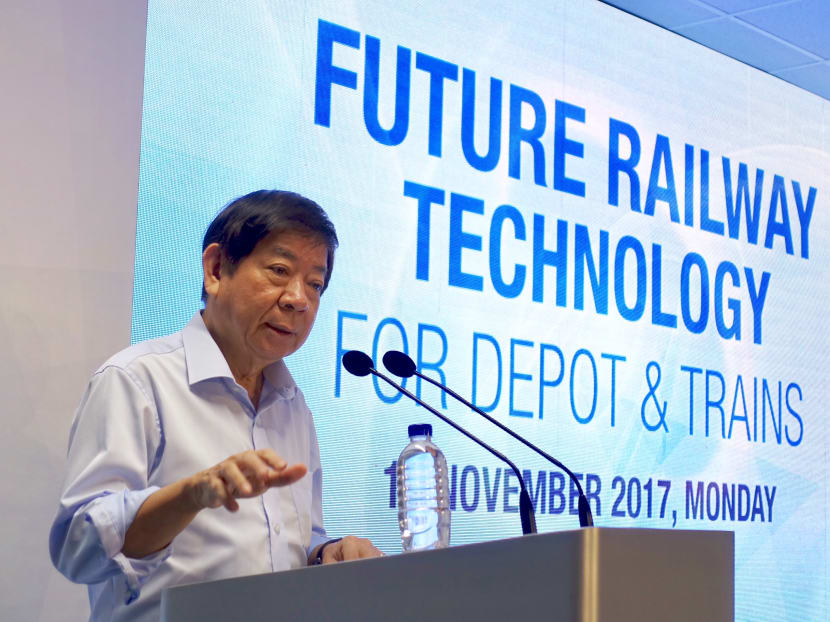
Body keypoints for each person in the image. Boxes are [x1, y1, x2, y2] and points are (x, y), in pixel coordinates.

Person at [49, 190, 382, 621]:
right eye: (280, 271)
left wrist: (326, 554)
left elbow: (293, 546)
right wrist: (190, 495)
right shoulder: (138, 381)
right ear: (216, 269)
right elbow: (78, 548)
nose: (298, 298)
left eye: (315, 284)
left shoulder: (292, 405)